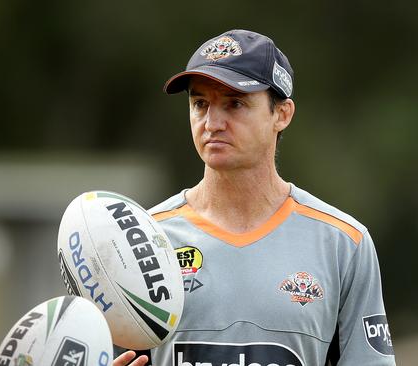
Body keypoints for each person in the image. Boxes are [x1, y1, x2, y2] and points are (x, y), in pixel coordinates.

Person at [141, 29, 395, 365]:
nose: (212, 122)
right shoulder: (144, 238)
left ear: (282, 114)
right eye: (200, 103)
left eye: (234, 103)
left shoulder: (343, 243)